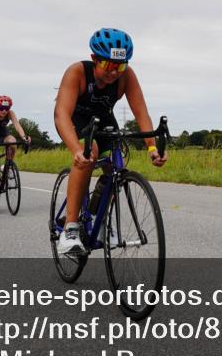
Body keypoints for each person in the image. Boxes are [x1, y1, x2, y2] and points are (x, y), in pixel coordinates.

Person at [53, 28, 167, 254]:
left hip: (104, 120)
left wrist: (152, 147)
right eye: (109, 66)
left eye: (121, 66)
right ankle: (70, 228)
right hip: (76, 119)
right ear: (95, 59)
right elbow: (61, 114)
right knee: (89, 152)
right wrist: (76, 149)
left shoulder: (127, 76)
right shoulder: (77, 72)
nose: (115, 72)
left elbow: (141, 113)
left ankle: (101, 218)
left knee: (116, 162)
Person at [0, 95, 30, 208]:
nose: (4, 111)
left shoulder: (10, 113)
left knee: (13, 142)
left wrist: (24, 137)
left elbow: (17, 126)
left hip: (3, 134)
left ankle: (7, 165)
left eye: (6, 108)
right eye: (1, 108)